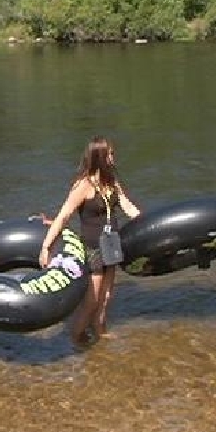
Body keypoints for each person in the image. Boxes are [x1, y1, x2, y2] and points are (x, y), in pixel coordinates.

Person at [39, 136, 141, 346]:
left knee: (107, 295)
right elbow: (64, 215)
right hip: (93, 247)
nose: (113, 157)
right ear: (100, 157)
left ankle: (99, 329)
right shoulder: (83, 186)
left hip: (111, 244)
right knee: (92, 299)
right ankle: (76, 337)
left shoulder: (111, 181)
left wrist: (149, 224)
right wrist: (46, 246)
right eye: (110, 154)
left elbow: (128, 206)